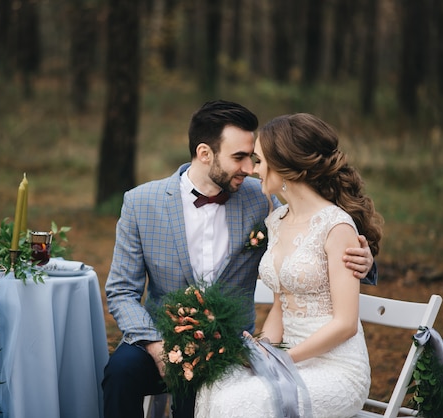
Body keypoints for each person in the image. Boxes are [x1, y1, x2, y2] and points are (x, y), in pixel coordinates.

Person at [102, 101, 376, 418]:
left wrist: (364, 261)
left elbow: (316, 237)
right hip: (159, 336)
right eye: (239, 157)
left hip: (229, 345)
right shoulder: (140, 203)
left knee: (211, 395)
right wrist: (154, 345)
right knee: (119, 374)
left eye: (253, 157)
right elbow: (122, 290)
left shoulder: (262, 201)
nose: (249, 168)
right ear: (205, 154)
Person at [195, 113, 384, 418]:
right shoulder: (276, 221)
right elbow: (281, 305)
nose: (253, 169)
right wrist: (262, 349)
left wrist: (281, 359)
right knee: (215, 384)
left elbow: (346, 324)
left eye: (258, 160)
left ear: (284, 166)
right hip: (289, 357)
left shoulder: (336, 227)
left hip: (335, 367)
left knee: (243, 402)